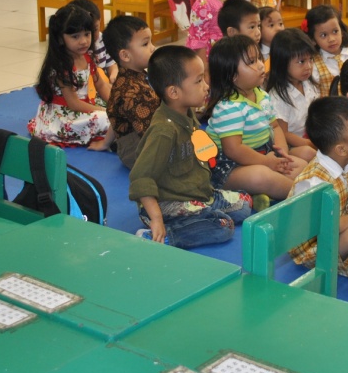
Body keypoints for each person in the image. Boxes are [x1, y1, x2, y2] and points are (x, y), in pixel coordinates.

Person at [129, 46, 252, 247]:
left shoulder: (185, 113)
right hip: (166, 203)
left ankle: (202, 212)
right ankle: (164, 236)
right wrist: (157, 219)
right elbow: (141, 177)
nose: (206, 86)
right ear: (174, 92)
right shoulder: (164, 132)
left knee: (244, 206)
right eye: (198, 81)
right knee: (223, 226)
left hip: (196, 193)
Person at [202, 35, 306, 204]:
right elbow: (233, 150)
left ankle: (259, 193)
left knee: (299, 165)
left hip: (262, 153)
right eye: (251, 62)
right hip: (229, 166)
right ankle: (301, 195)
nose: (260, 65)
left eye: (259, 58)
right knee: (261, 177)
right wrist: (267, 163)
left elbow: (275, 127)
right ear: (232, 75)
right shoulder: (229, 108)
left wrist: (282, 153)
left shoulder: (262, 96)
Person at [288, 96, 348, 277]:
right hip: (314, 245)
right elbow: (324, 226)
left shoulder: (342, 160)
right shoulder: (314, 184)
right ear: (341, 149)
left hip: (338, 219)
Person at [28, 4, 114, 149]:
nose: (84, 41)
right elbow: (73, 103)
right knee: (108, 119)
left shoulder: (89, 56)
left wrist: (115, 105)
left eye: (87, 34)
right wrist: (103, 111)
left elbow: (101, 85)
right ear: (61, 39)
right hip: (66, 114)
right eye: (75, 36)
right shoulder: (63, 66)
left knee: (121, 111)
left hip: (85, 104)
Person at [101, 15, 159, 169]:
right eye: (146, 44)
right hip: (136, 150)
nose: (153, 48)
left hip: (143, 139)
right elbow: (150, 135)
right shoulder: (131, 90)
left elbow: (115, 116)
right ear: (125, 55)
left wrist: (105, 143)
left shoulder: (137, 74)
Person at [266, 28, 319, 161]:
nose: (308, 66)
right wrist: (308, 143)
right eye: (301, 62)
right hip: (290, 145)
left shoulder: (309, 84)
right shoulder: (278, 97)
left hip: (312, 137)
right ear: (282, 64)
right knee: (308, 153)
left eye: (310, 59)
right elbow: (283, 133)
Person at [304, 5, 348, 97]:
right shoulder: (314, 66)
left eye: (335, 31)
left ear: (342, 31)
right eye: (323, 35)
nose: (331, 39)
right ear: (313, 40)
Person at [69, 0, 118, 81]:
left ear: (100, 21)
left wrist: (113, 77)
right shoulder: (75, 48)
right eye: (77, 36)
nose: (86, 39)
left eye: (94, 30)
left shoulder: (102, 39)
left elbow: (111, 64)